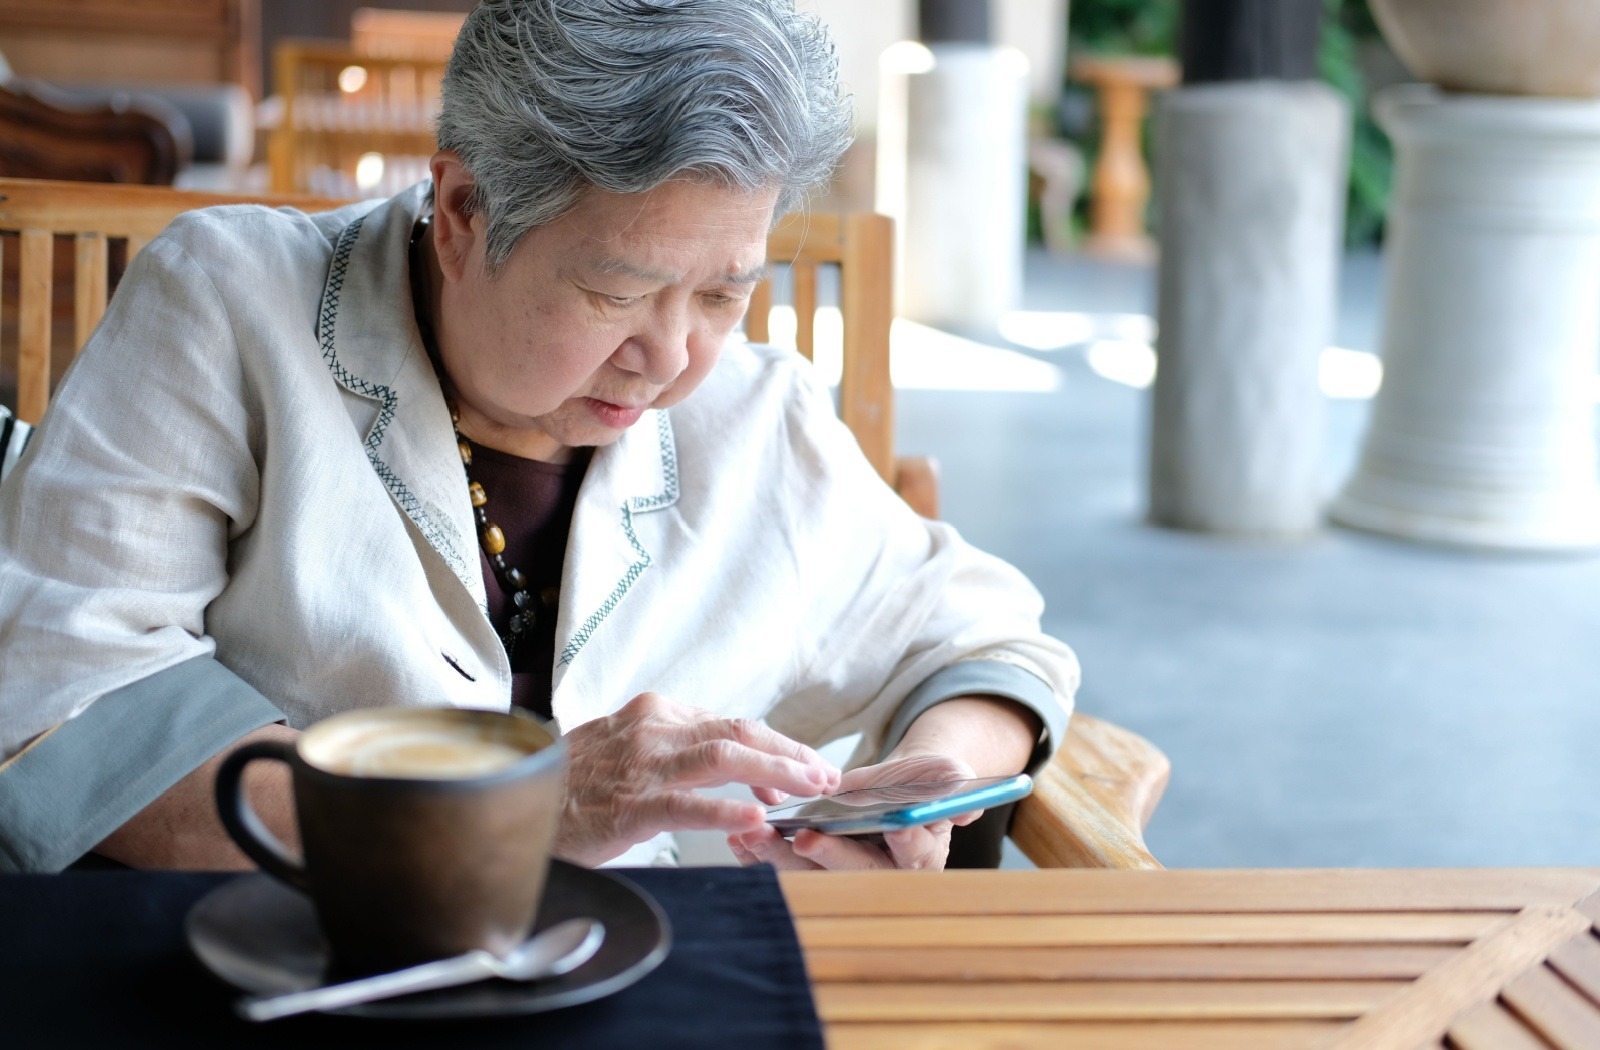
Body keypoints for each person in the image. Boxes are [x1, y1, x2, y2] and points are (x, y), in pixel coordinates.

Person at [0, 0, 1076, 874]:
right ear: (464, 211)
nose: (670, 358)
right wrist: (517, 809)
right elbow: (68, 698)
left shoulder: (755, 413)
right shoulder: (234, 307)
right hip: (283, 970)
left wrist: (920, 787)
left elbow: (987, 646)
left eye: (722, 294)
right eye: (617, 291)